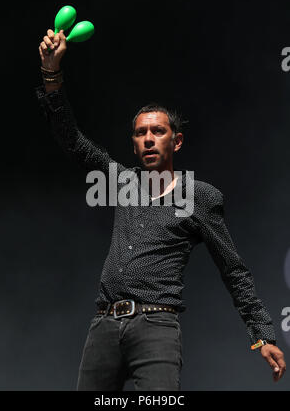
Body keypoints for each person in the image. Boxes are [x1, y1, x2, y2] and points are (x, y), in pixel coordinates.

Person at [35, 29, 286, 391]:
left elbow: (234, 272)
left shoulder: (199, 196)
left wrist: (263, 334)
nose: (149, 139)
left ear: (176, 140)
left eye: (157, 131)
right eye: (140, 133)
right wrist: (51, 73)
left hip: (156, 328)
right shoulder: (121, 182)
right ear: (134, 144)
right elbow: (72, 140)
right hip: (104, 326)